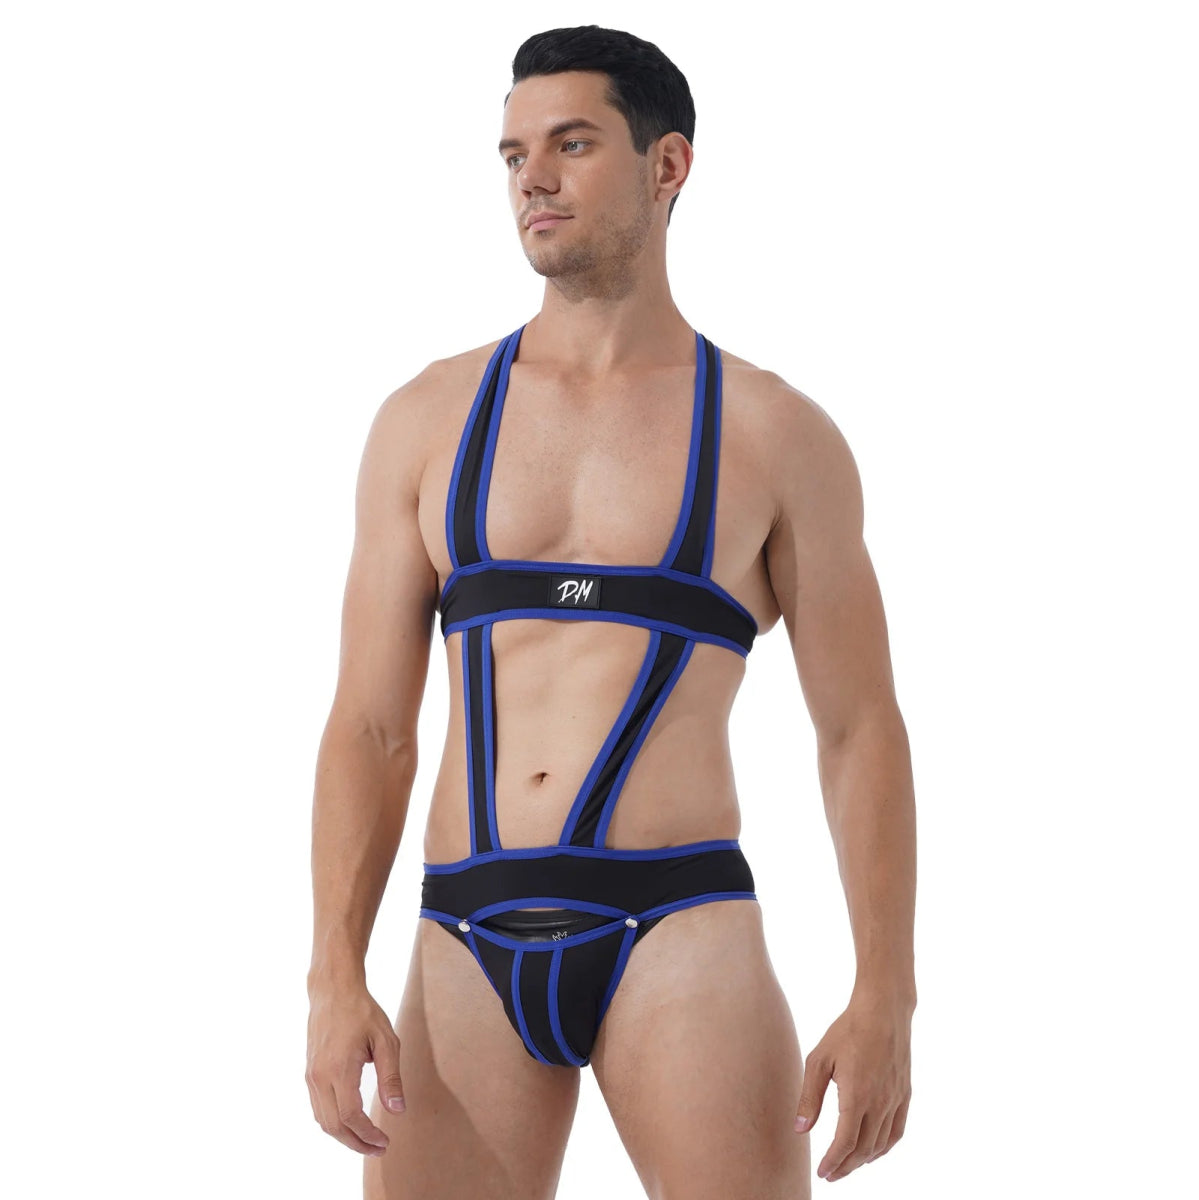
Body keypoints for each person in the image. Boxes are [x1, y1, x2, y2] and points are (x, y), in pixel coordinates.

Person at [305, 25, 916, 1200]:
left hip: (676, 925)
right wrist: (333, 976)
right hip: (464, 931)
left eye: (571, 144)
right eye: (513, 154)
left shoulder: (773, 433)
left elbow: (858, 729)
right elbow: (370, 728)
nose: (531, 178)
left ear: (665, 164)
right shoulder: (427, 420)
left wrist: (884, 992)